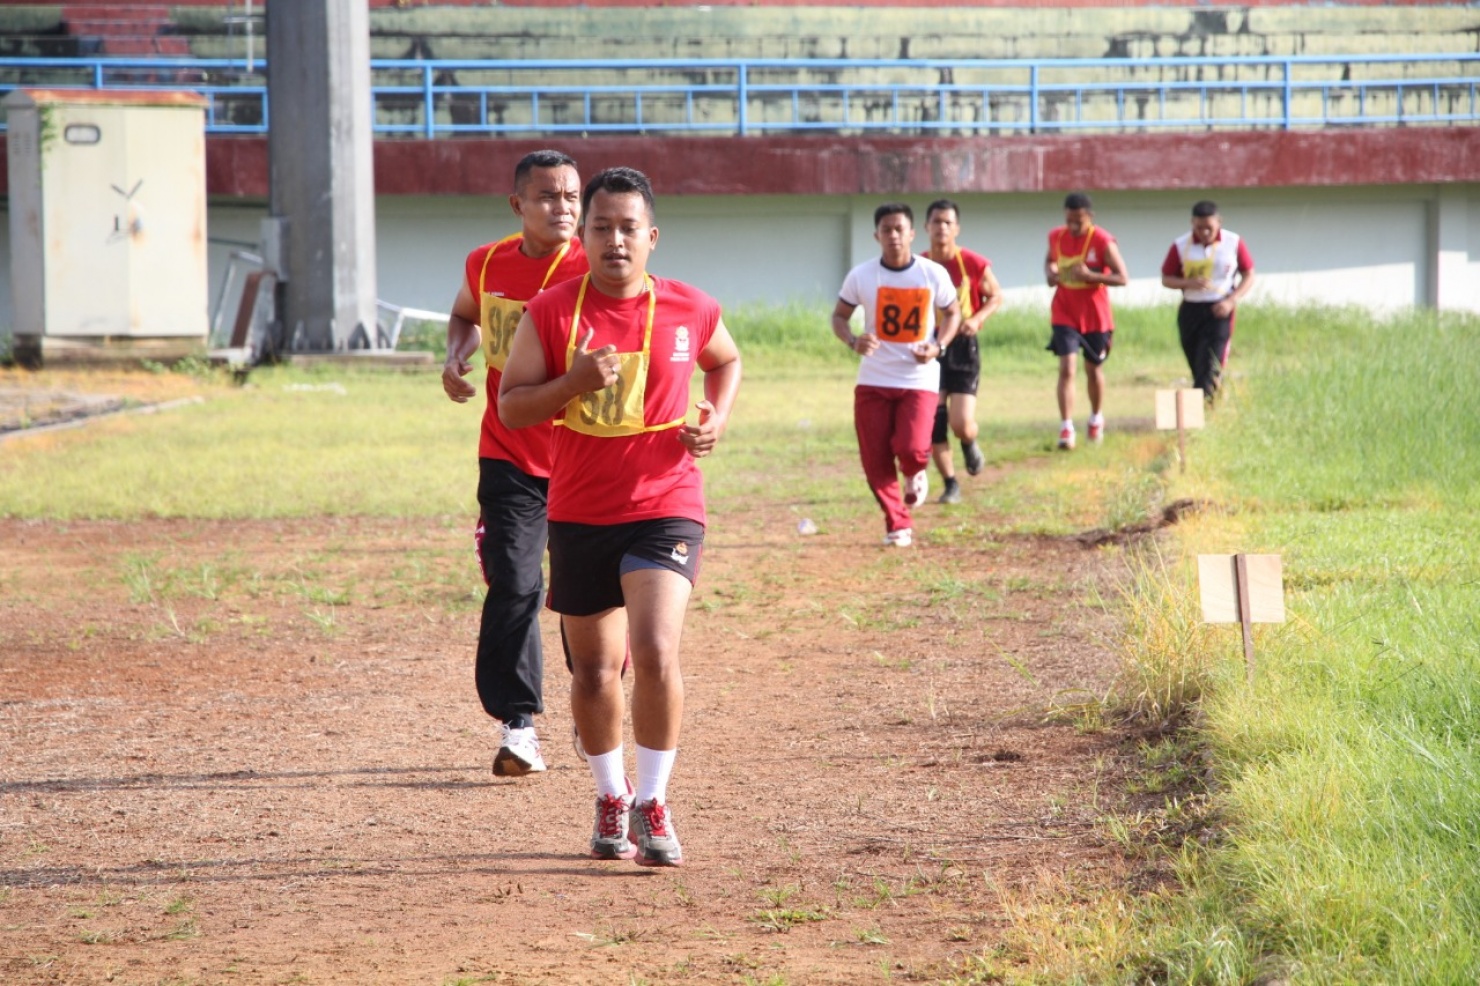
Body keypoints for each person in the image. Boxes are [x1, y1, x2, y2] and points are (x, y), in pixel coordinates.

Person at [499, 167, 742, 867]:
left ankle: (654, 800)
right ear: (588, 234)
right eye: (601, 227)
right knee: (596, 673)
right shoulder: (551, 310)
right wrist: (573, 382)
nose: (614, 241)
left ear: (652, 237)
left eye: (628, 228)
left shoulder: (690, 308)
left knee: (658, 651)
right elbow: (512, 405)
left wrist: (714, 421)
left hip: (667, 505)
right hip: (579, 512)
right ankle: (611, 795)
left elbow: (726, 363)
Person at [441, 150, 588, 777]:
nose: (564, 208)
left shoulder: (593, 266)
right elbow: (464, 315)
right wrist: (454, 356)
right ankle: (519, 725)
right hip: (508, 451)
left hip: (583, 457)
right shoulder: (487, 262)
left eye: (573, 197)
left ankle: (595, 701)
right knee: (516, 584)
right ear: (518, 205)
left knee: (586, 597)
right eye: (549, 196)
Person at [832, 203, 962, 547]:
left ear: (912, 233)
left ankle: (915, 472)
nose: (893, 236)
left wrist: (938, 346)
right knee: (874, 458)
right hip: (873, 379)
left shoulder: (932, 273)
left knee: (913, 448)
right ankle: (898, 524)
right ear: (876, 235)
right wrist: (853, 340)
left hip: (918, 378)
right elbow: (839, 316)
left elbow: (952, 313)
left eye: (899, 229)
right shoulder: (861, 275)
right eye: (886, 230)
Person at [922, 199, 1002, 504]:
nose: (941, 228)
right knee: (934, 421)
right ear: (926, 227)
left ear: (956, 228)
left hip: (963, 347)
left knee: (960, 422)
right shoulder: (918, 264)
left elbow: (995, 295)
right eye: (936, 222)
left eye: (947, 222)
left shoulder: (971, 262)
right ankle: (950, 483)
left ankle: (969, 441)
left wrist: (977, 319)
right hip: (929, 346)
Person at [1044, 192, 1128, 450]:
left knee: (1093, 369)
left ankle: (1095, 418)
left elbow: (1122, 277)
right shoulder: (1056, 236)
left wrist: (1090, 276)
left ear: (1089, 218)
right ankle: (1066, 427)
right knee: (1067, 367)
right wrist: (1051, 273)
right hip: (1064, 311)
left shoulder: (1102, 240)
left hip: (1095, 315)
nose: (1073, 226)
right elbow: (1049, 261)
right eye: (1069, 220)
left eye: (1078, 221)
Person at [1159, 200, 1256, 403]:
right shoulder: (1180, 245)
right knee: (1197, 363)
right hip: (1191, 310)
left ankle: (1201, 411)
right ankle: (1213, 400)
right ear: (1192, 223)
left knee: (1210, 364)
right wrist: (1188, 283)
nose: (1204, 233)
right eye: (1199, 227)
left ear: (1219, 222)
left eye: (1209, 228)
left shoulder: (1233, 242)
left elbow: (1249, 275)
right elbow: (1166, 278)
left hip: (1220, 309)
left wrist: (1231, 301)